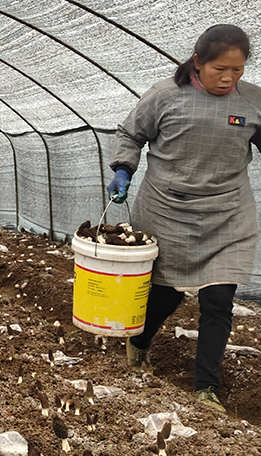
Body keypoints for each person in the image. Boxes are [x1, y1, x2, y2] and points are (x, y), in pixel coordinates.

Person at [107, 24, 260, 413]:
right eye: (219, 69)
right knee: (166, 294)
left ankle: (206, 387)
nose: (228, 78)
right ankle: (140, 342)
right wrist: (123, 169)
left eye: (237, 70)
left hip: (227, 213)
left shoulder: (252, 101)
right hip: (167, 210)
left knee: (218, 299)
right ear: (197, 62)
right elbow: (130, 133)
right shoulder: (165, 95)